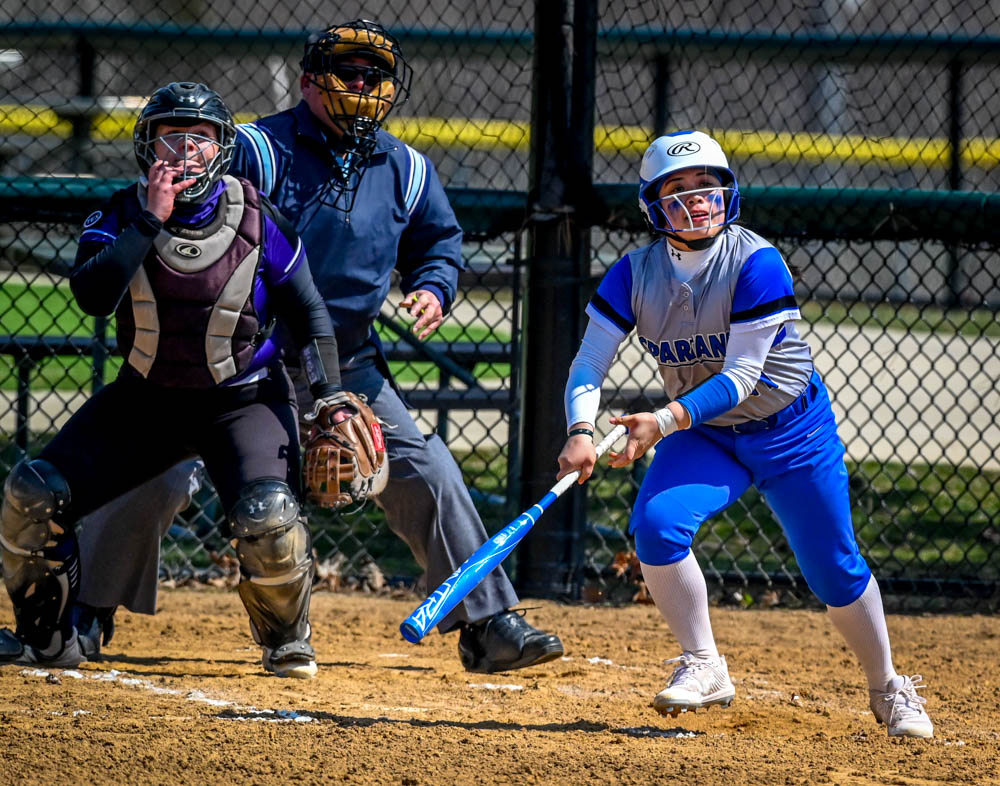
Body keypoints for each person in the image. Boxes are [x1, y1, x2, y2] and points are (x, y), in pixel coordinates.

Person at [70, 20, 564, 674]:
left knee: (426, 472)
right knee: (157, 469)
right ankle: (83, 613)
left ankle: (488, 622)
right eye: (345, 71)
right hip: (241, 358)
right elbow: (193, 194)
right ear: (308, 80)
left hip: (348, 360)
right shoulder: (258, 149)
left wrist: (435, 289)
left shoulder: (407, 168)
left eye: (372, 74)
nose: (360, 85)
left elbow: (438, 242)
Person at [556, 130, 934, 738]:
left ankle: (889, 686)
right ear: (653, 205)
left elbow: (742, 376)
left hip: (790, 429)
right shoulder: (634, 273)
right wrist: (579, 429)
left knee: (834, 569)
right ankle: (704, 663)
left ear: (727, 192)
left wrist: (662, 422)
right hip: (707, 436)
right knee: (656, 527)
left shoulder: (757, 262)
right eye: (678, 189)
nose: (697, 199)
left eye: (708, 185)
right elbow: (590, 361)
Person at [0, 81, 352, 679]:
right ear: (146, 147)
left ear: (222, 148)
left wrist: (331, 396)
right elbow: (92, 294)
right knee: (34, 495)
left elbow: (308, 311)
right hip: (146, 401)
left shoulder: (259, 218)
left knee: (268, 515)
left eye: (200, 139)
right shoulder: (119, 212)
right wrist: (148, 219)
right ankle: (49, 637)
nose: (184, 152)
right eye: (170, 139)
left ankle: (288, 638)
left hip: (242, 401)